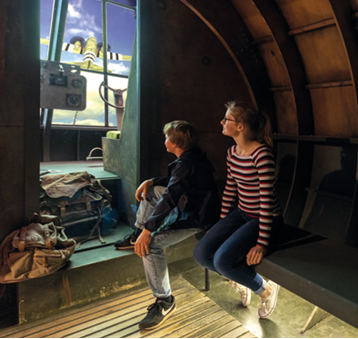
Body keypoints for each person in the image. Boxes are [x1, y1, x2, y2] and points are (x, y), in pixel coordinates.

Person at [114, 120, 220, 330]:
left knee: (151, 246)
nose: (164, 141)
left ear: (174, 143)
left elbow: (170, 197)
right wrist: (151, 181)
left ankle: (165, 300)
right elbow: (175, 182)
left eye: (166, 137)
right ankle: (137, 234)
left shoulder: (187, 163)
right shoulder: (191, 157)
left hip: (196, 217)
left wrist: (149, 231)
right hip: (189, 206)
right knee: (151, 192)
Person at [193, 101, 283, 319]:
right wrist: (221, 225)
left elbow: (266, 202)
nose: (222, 122)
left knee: (222, 261)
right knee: (201, 254)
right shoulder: (232, 152)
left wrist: (261, 243)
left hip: (263, 217)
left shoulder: (261, 155)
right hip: (242, 213)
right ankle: (243, 278)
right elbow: (230, 189)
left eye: (227, 119)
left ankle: (266, 290)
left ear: (240, 126)